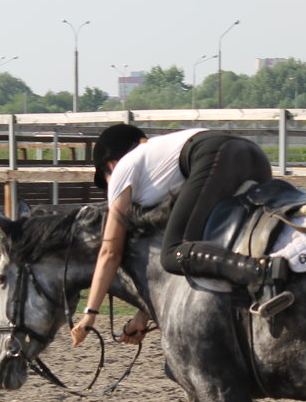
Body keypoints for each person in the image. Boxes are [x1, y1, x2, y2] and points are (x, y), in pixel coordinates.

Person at [70, 125, 286, 347]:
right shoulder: (159, 162)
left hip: (217, 156)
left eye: (106, 179)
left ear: (110, 164)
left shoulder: (123, 167)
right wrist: (142, 316)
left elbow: (110, 252)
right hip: (254, 155)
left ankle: (260, 271)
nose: (110, 189)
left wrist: (90, 313)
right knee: (220, 243)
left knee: (174, 253)